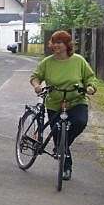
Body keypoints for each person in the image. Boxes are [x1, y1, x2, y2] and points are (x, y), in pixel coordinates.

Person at [30, 30, 97, 181]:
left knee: (79, 122)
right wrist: (37, 86)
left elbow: (90, 77)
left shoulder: (78, 60)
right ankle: (66, 167)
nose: (56, 45)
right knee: (59, 132)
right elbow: (35, 77)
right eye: (54, 42)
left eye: (59, 42)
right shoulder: (47, 62)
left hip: (76, 101)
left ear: (67, 45)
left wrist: (91, 87)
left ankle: (61, 146)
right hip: (54, 103)